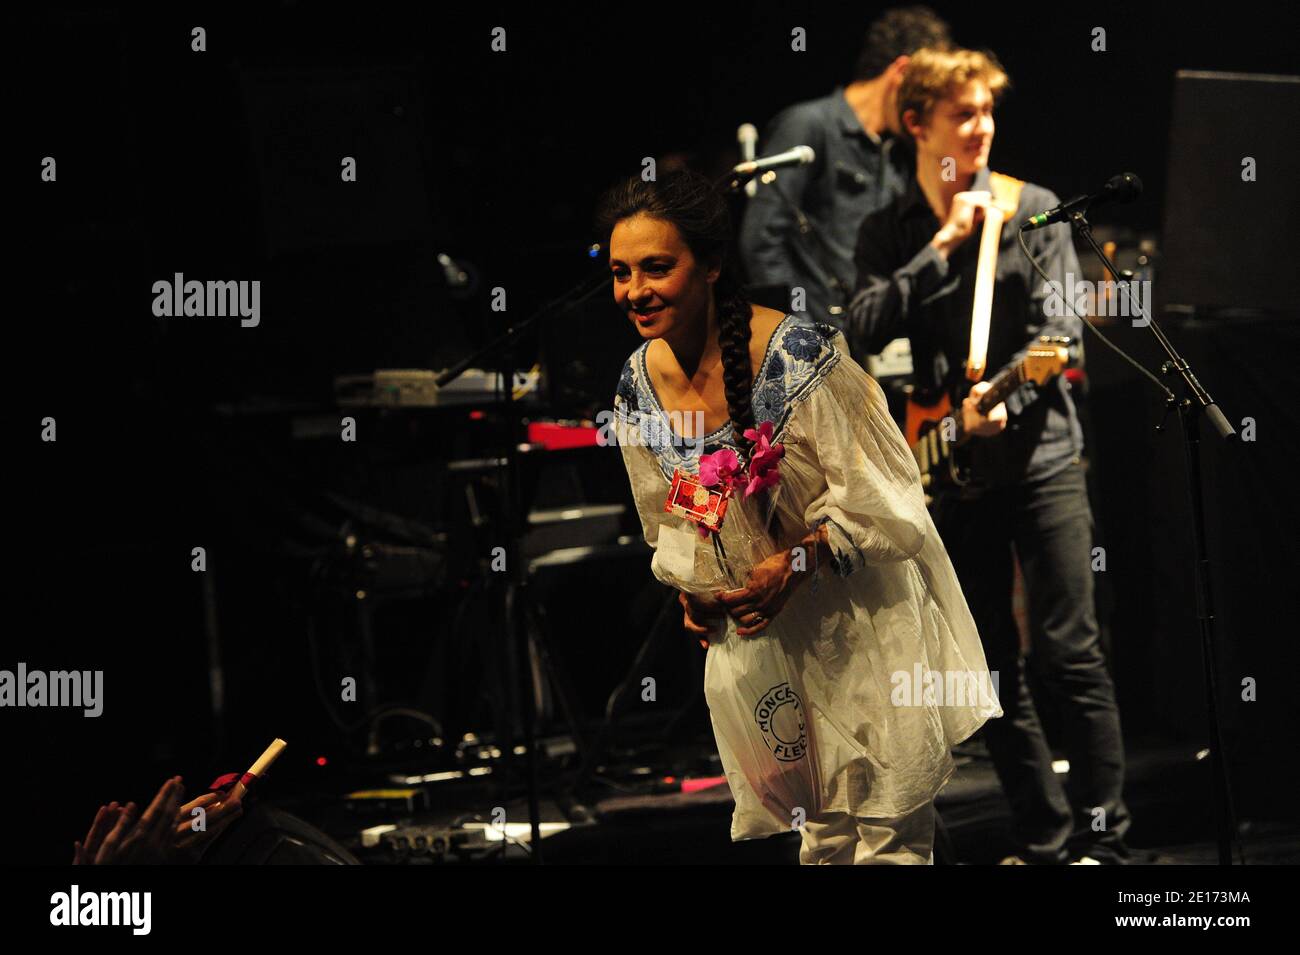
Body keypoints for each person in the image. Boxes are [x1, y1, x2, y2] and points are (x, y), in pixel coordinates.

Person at [598, 168, 1000, 864]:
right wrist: (697, 585)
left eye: (657, 267)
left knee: (888, 837)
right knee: (821, 838)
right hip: (768, 639)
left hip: (859, 624)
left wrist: (801, 558)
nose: (635, 290)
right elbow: (671, 506)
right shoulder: (637, 384)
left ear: (713, 265)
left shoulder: (801, 357)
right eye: (621, 272)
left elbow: (890, 503)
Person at [845, 46, 1132, 864]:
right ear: (917, 125)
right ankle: (1045, 834)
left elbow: (1059, 338)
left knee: (1069, 648)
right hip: (947, 470)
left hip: (1040, 460)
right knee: (985, 669)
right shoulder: (891, 228)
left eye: (988, 113)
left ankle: (1104, 840)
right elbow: (862, 325)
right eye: (962, 115)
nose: (981, 129)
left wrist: (1003, 400)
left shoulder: (1032, 206)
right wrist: (939, 246)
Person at [738, 6, 950, 346]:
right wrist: (803, 335)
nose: (927, 107)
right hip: (814, 347)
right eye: (927, 90)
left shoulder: (898, 153)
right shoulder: (808, 124)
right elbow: (761, 240)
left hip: (869, 347)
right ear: (903, 70)